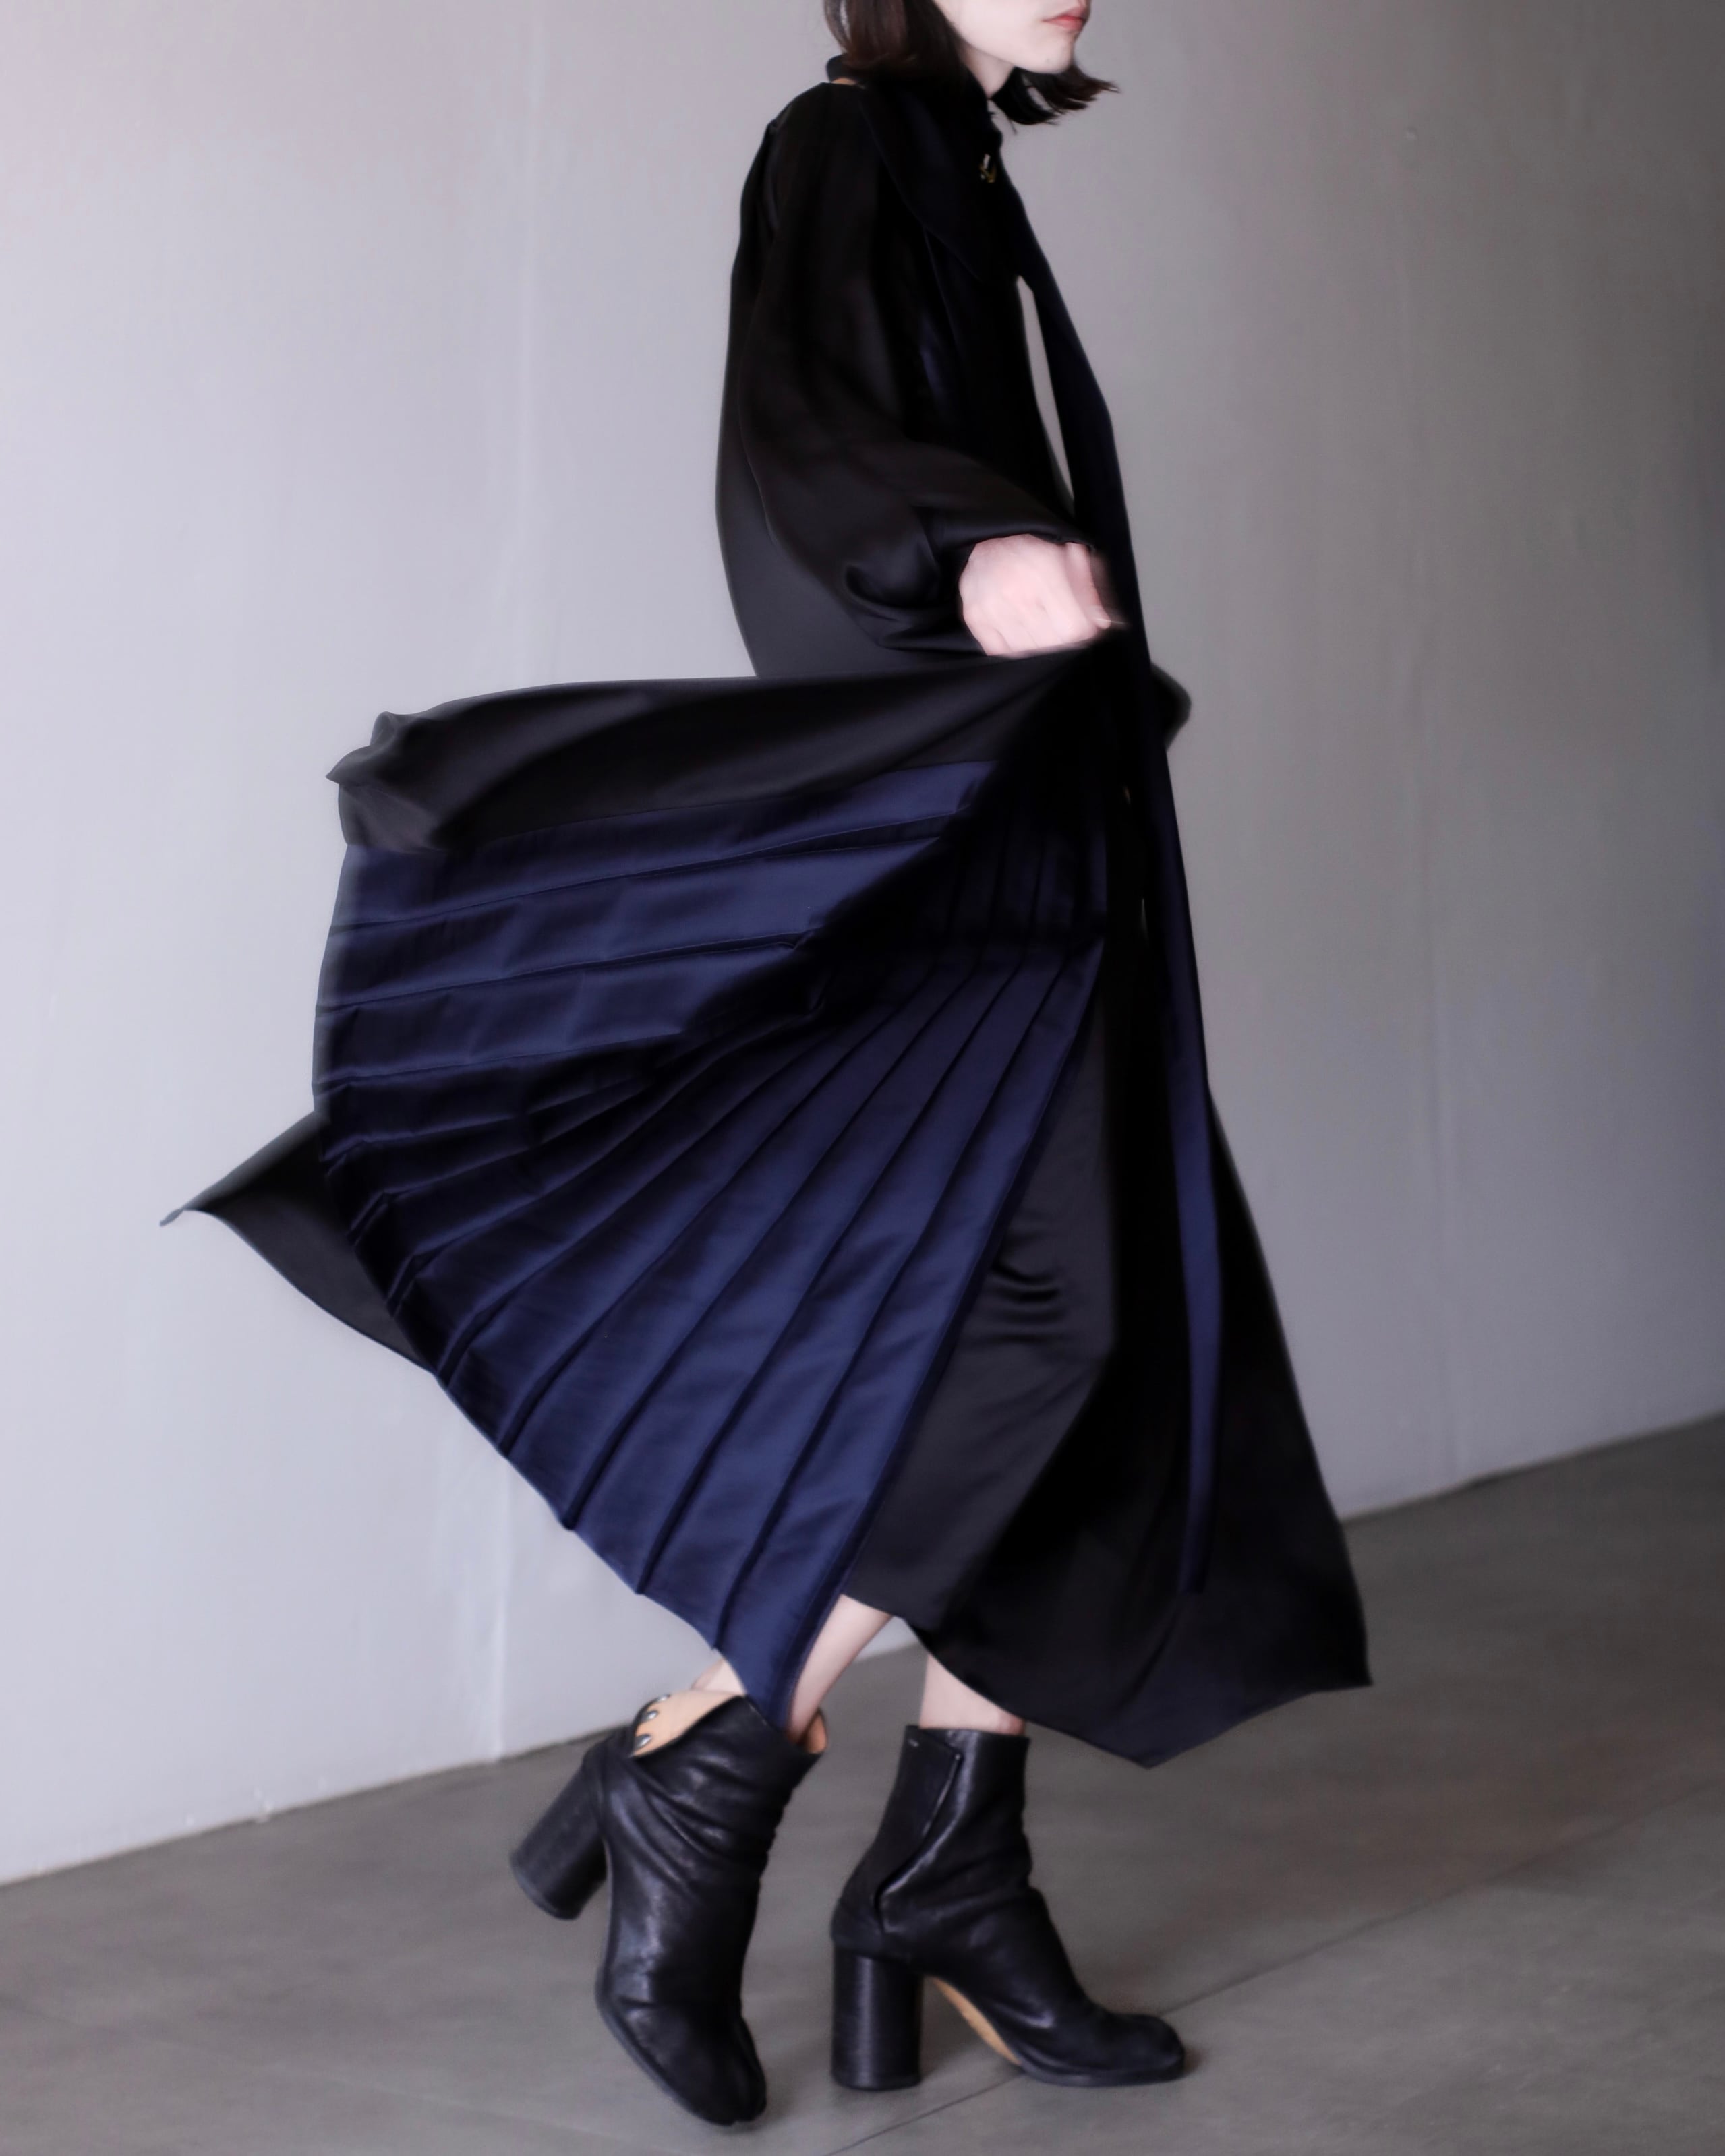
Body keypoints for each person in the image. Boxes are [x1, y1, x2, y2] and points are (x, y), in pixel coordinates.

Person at [176, 0, 1369, 2128]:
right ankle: (716, 1756)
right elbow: (805, 445)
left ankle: (949, 1864)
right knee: (1059, 1320)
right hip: (979, 844)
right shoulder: (851, 140)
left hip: (1046, 817)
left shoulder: (957, 160)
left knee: (1118, 1342)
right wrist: (967, 541)